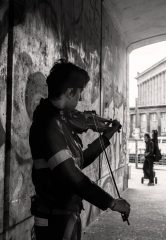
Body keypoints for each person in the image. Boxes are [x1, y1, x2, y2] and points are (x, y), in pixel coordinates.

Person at [29, 59, 130, 239]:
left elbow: (78, 162)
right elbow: (71, 176)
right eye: (79, 93)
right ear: (70, 92)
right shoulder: (49, 124)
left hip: (65, 214)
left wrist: (106, 137)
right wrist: (111, 202)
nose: (81, 98)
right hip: (53, 220)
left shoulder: (61, 121)